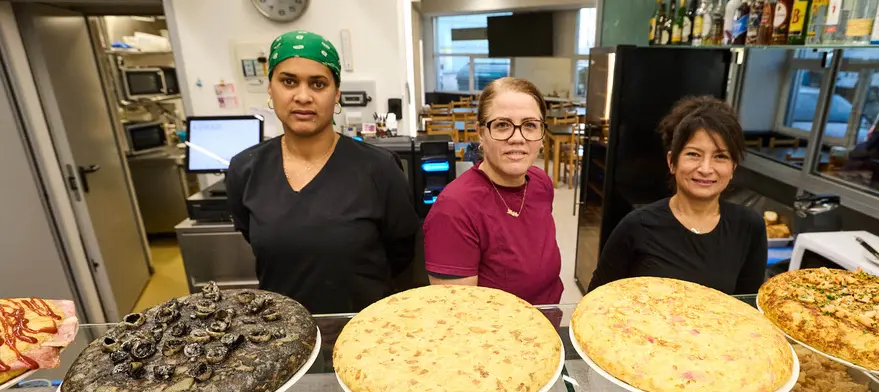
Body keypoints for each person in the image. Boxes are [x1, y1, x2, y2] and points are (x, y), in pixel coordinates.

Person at [226, 31, 419, 314]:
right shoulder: (245, 169)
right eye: (288, 81)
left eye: (318, 84)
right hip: (279, 333)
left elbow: (402, 254)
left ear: (336, 94)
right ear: (270, 89)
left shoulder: (379, 169)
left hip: (363, 327)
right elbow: (253, 237)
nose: (303, 96)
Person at [588, 96, 767, 295]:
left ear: (733, 167)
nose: (706, 169)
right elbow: (596, 299)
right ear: (672, 162)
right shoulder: (637, 226)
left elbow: (748, 306)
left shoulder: (750, 227)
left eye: (720, 156)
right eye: (693, 154)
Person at [422, 77, 564, 305]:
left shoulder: (541, 183)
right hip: (498, 337)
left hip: (549, 325)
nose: (517, 138)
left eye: (530, 125)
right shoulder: (455, 209)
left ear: (542, 134)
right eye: (502, 125)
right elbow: (457, 313)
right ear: (480, 133)